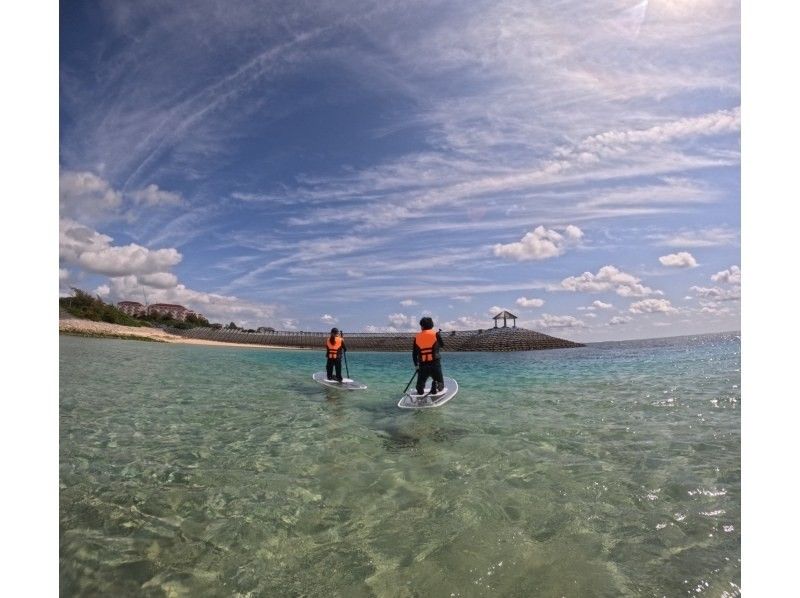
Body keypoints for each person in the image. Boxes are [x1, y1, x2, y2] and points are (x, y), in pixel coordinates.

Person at [413, 317, 445, 397]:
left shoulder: (417, 337)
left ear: (422, 326)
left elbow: (414, 354)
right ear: (431, 325)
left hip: (423, 366)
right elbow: (442, 345)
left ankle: (420, 388)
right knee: (441, 386)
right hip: (435, 365)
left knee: (419, 388)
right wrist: (438, 337)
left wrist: (416, 366)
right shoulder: (436, 334)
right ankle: (436, 385)